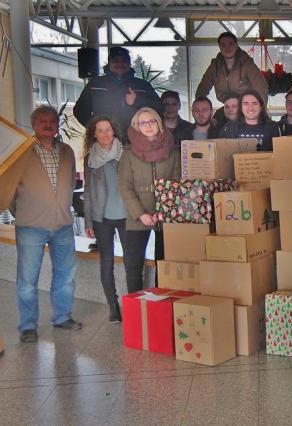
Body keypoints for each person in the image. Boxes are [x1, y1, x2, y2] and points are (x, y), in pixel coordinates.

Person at [12, 106, 81, 342]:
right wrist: (22, 210)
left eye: (53, 121)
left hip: (62, 224)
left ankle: (62, 317)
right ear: (33, 124)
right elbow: (10, 190)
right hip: (31, 225)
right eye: (43, 121)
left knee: (66, 275)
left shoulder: (67, 151)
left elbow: (71, 182)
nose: (48, 124)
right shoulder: (21, 152)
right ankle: (28, 325)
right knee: (28, 280)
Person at [117, 107, 180, 294]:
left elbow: (175, 182)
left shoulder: (172, 150)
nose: (148, 126)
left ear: (159, 123)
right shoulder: (128, 153)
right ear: (136, 126)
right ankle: (136, 310)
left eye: (152, 121)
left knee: (164, 263)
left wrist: (165, 210)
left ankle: (161, 305)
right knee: (134, 265)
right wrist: (141, 214)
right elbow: (124, 186)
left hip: (164, 214)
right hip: (137, 216)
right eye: (143, 123)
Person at [82, 116, 127, 323]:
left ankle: (133, 303)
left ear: (114, 131)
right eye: (100, 131)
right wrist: (88, 222)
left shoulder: (126, 153)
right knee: (106, 263)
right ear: (94, 134)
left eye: (108, 129)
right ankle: (113, 307)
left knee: (131, 263)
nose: (105, 134)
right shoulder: (90, 158)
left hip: (127, 215)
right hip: (102, 218)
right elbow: (89, 192)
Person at [74, 47, 161, 144]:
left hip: (136, 143)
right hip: (104, 143)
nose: (120, 64)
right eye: (115, 60)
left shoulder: (143, 85)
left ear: (129, 64)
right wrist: (96, 128)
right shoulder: (95, 84)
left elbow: (159, 109)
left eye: (124, 61)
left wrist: (137, 101)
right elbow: (79, 110)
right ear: (109, 63)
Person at [195, 32, 268, 103]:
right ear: (219, 47)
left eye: (231, 44)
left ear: (236, 45)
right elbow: (203, 88)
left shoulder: (247, 63)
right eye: (223, 45)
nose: (227, 48)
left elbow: (260, 86)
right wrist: (200, 106)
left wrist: (262, 109)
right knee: (218, 115)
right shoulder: (215, 65)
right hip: (228, 106)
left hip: (246, 105)